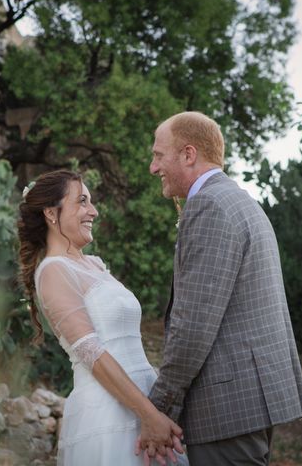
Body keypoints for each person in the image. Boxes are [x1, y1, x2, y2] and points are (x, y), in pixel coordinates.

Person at [140, 111, 302, 465]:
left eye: (158, 155)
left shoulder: (210, 206)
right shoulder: (241, 201)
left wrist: (156, 408)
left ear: (188, 155)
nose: (154, 168)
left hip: (226, 408)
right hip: (249, 402)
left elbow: (193, 325)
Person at [18, 170, 189, 466]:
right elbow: (91, 352)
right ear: (51, 213)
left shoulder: (94, 264)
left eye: (92, 202)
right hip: (108, 413)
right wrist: (147, 414)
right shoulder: (53, 271)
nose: (93, 211)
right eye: (82, 202)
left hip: (143, 397)